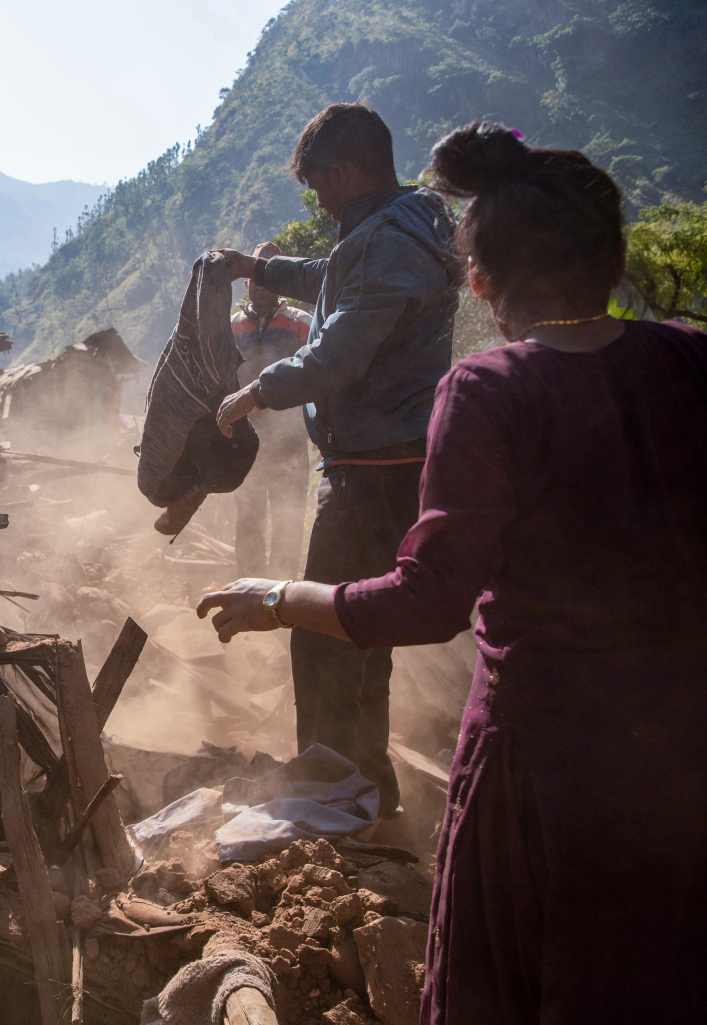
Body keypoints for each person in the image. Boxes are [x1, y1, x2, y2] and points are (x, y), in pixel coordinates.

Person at [198, 122, 707, 1023]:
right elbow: (336, 285)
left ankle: (341, 786)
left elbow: (430, 599)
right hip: (678, 748)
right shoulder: (688, 357)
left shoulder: (487, 390)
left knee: (509, 975)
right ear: (613, 255)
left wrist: (274, 599)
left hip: (541, 763)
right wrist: (265, 272)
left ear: (479, 281)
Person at [217, 104, 460, 817]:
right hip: (381, 464)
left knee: (329, 634)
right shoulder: (397, 227)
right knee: (361, 632)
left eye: (319, 186)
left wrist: (255, 392)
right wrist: (257, 266)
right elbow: (332, 278)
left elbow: (341, 349)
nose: (318, 201)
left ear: (344, 171)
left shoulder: (387, 240)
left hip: (375, 472)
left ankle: (331, 799)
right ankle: (365, 788)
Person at [231, 241, 312, 579]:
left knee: (287, 522)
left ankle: (281, 598)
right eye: (256, 280)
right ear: (247, 283)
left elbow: (321, 371)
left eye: (268, 278)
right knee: (247, 520)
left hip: (289, 442)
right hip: (245, 440)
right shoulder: (232, 327)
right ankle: (247, 594)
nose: (261, 287)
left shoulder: (302, 323)